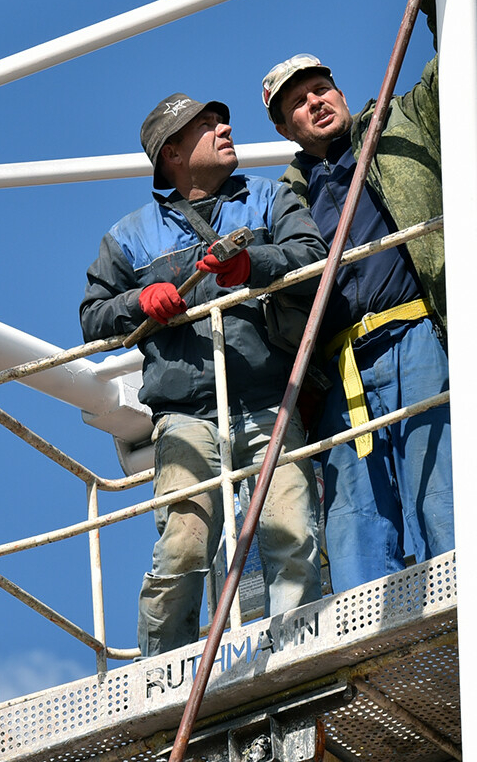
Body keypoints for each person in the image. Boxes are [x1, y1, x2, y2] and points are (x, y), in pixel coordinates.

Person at [260, 0, 477, 594]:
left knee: (442, 484)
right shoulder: (282, 204)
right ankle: (370, 637)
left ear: (342, 93)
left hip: (415, 337)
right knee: (356, 514)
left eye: (322, 88)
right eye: (298, 101)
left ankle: (465, 602)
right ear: (285, 127)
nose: (316, 100)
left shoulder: (406, 122)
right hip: (343, 364)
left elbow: (472, 53)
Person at [80, 93, 326, 656]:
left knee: (292, 535)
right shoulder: (129, 237)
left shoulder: (269, 198)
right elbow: (93, 316)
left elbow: (310, 256)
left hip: (269, 399)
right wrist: (141, 301)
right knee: (183, 549)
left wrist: (252, 264)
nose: (225, 128)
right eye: (206, 126)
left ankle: (295, 656)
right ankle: (162, 669)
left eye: (221, 121)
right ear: (172, 153)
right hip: (187, 416)